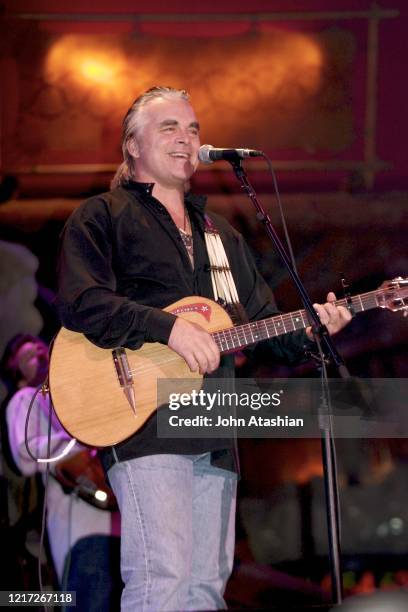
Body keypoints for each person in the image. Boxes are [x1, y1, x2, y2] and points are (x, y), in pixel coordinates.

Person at [56, 86, 351, 611]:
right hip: (144, 422)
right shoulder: (101, 217)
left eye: (193, 129)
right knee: (162, 578)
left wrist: (312, 330)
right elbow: (83, 302)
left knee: (206, 588)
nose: (187, 138)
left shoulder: (222, 234)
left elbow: (261, 325)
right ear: (132, 145)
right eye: (169, 127)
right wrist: (165, 329)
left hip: (214, 425)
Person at [2, 334, 122, 611]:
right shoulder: (24, 398)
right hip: (81, 530)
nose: (42, 355)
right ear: (15, 369)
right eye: (29, 355)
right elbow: (26, 453)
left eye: (43, 349)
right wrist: (82, 442)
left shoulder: (70, 396)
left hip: (120, 525)